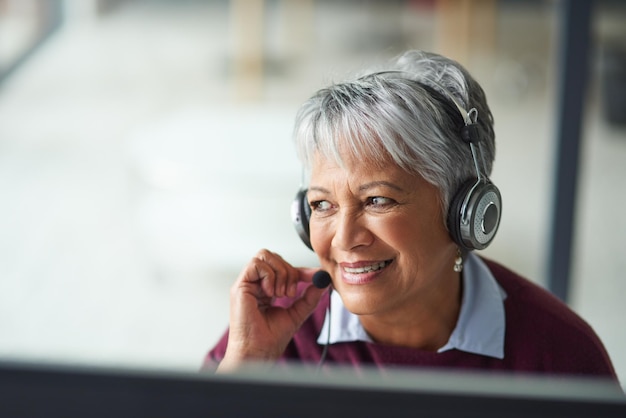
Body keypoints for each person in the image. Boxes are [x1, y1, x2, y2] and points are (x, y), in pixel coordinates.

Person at [204, 50, 617, 380]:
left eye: (378, 200)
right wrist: (248, 363)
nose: (344, 238)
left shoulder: (559, 357)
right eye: (321, 205)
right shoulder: (278, 330)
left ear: (466, 213)